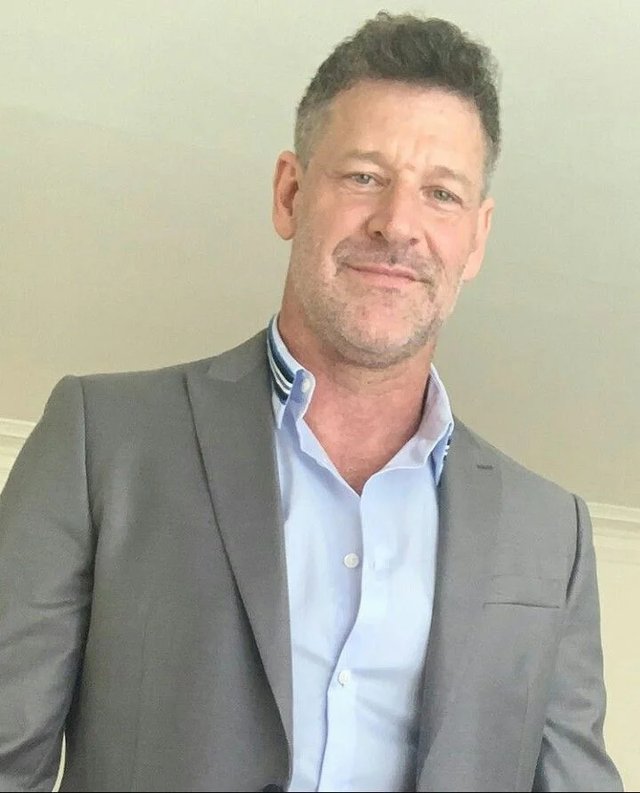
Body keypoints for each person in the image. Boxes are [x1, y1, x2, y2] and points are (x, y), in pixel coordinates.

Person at [0, 11, 624, 793]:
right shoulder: (103, 443)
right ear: (290, 193)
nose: (398, 224)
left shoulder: (551, 536)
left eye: (441, 193)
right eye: (364, 176)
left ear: (477, 238)